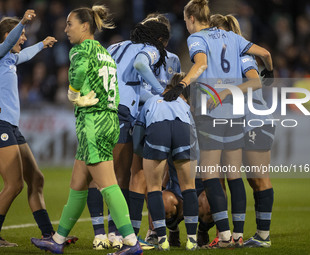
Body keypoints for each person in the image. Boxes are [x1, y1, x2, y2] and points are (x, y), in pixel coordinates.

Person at [30, 5, 142, 255]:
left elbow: (77, 78)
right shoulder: (104, 52)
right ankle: (57, 240)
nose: (66, 28)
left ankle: (132, 243)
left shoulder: (80, 50)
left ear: (85, 26)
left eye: (70, 24)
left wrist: (73, 94)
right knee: (78, 184)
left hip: (93, 123)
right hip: (109, 120)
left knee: (109, 186)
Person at [163, 0, 273, 248]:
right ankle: (239, 235)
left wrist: (182, 85)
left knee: (211, 175)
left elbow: (201, 65)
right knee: (235, 176)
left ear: (191, 18)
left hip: (211, 112)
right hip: (235, 115)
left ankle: (224, 236)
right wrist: (271, 71)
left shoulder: (197, 38)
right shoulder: (233, 39)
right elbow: (265, 54)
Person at [84, 17, 169, 249]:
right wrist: (163, 92)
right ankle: (114, 233)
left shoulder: (114, 46)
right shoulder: (149, 49)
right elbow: (140, 67)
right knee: (118, 175)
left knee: (96, 172)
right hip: (119, 111)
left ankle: (99, 234)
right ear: (159, 40)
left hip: (96, 107)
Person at [210, 14, 275, 248]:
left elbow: (255, 81)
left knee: (259, 179)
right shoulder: (223, 57)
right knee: (248, 180)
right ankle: (249, 235)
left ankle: (263, 237)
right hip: (242, 121)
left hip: (255, 119)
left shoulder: (241, 53)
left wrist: (228, 92)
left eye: (213, 30)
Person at [0, 10, 60, 247]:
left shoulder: (9, 59)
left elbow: (24, 54)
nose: (23, 38)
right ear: (8, 35)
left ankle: (48, 235)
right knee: (14, 185)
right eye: (21, 35)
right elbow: (8, 45)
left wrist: (42, 45)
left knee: (36, 178)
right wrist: (23, 21)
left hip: (12, 127)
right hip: (2, 125)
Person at [133, 73, 198, 250]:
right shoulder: (184, 104)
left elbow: (137, 139)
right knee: (189, 186)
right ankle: (192, 240)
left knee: (153, 188)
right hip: (182, 128)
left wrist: (148, 155)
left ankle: (162, 239)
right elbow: (194, 140)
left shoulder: (151, 100)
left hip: (157, 128)